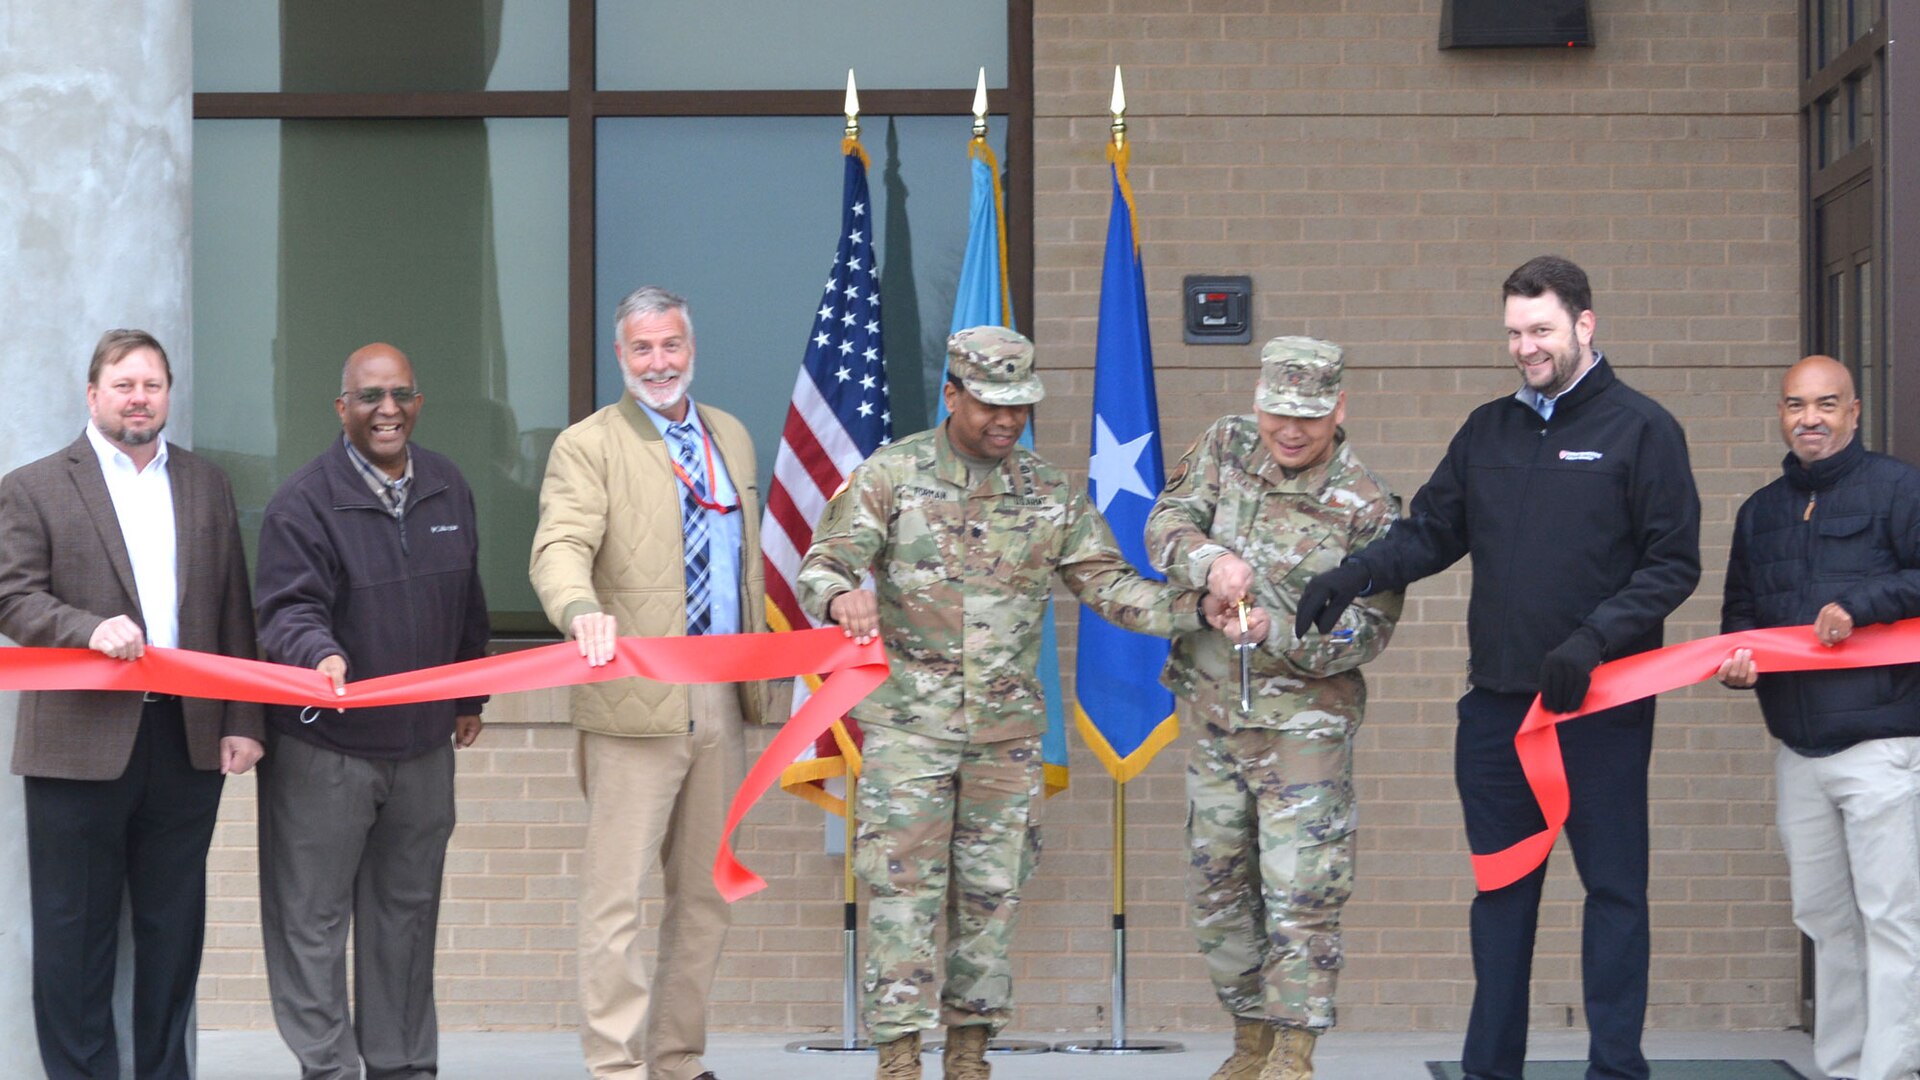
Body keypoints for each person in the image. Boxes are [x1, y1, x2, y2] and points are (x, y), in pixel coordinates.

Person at [1295, 256, 1701, 1080]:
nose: (1526, 347)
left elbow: (1672, 563)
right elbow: (1433, 531)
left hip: (1601, 707)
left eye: (1541, 329)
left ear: (1586, 325)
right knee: (1502, 902)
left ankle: (1616, 1069)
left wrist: (1593, 640)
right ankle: (1491, 1070)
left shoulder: (1641, 428)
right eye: (1514, 332)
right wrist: (1353, 574)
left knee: (1615, 895)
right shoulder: (1490, 430)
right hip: (1499, 716)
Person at [797, 326, 1237, 1080]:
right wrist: (841, 595)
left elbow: (1110, 584)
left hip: (1005, 738)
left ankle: (969, 1057)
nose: (1006, 421)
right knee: (903, 896)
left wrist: (1198, 609)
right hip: (911, 731)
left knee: (991, 900)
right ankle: (899, 1059)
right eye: (991, 406)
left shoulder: (1048, 492)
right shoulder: (891, 475)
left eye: (1020, 407)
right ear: (953, 395)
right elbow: (823, 563)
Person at [0, 329, 265, 1080]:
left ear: (168, 395)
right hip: (77, 744)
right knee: (73, 934)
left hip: (185, 740)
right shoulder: (35, 486)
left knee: (172, 931)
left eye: (152, 385)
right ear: (93, 396)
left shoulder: (206, 484)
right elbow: (11, 596)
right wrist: (86, 630)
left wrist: (244, 719)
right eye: (124, 385)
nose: (139, 398)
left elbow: (232, 608)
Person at [1146, 337, 1403, 1080]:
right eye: (1277, 416)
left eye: (1309, 419)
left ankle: (1293, 1053)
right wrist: (1210, 563)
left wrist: (1279, 633)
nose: (1290, 433)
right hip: (1217, 714)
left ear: (1339, 409)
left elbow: (1370, 629)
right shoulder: (1225, 446)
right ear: (1258, 403)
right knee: (1219, 894)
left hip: (1304, 731)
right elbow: (1166, 521)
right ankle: (1249, 1039)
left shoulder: (1371, 507)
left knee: (1302, 893)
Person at [530, 286, 771, 1080]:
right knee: (615, 904)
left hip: (722, 701)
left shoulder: (731, 436)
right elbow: (559, 545)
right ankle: (615, 1068)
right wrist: (579, 611)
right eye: (642, 349)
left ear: (691, 350)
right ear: (620, 357)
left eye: (670, 346)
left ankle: (676, 1060)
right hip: (635, 703)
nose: (658, 362)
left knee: (704, 898)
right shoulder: (588, 445)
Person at [252, 342, 490, 1080]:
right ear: (342, 408)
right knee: (312, 926)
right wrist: (317, 654)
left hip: (422, 748)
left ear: (418, 401)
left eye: (400, 395)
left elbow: (468, 602)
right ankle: (328, 1069)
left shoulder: (448, 484)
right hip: (327, 753)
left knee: (406, 923)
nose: (387, 410)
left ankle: (403, 1068)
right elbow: (285, 609)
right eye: (369, 397)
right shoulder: (303, 502)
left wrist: (468, 694)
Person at [1717, 355, 1920, 1080]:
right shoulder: (1760, 512)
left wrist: (1862, 606)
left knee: (1893, 921)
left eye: (1827, 405)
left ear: (1854, 412)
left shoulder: (1899, 490)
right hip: (1797, 753)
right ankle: (1841, 1068)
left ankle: (1891, 1072)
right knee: (1828, 924)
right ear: (1781, 414)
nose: (1812, 419)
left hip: (1882, 745)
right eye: (1798, 405)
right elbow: (1739, 618)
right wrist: (1739, 667)